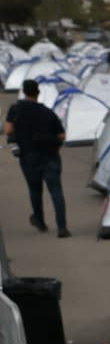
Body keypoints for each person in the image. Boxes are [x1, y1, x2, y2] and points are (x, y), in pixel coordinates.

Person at [4, 80, 67, 237]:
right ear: (38, 93)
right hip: (50, 155)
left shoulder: (16, 109)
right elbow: (61, 135)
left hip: (28, 155)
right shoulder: (46, 111)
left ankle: (39, 220)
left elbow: (8, 129)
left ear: (24, 92)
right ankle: (62, 226)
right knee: (56, 191)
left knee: (34, 189)